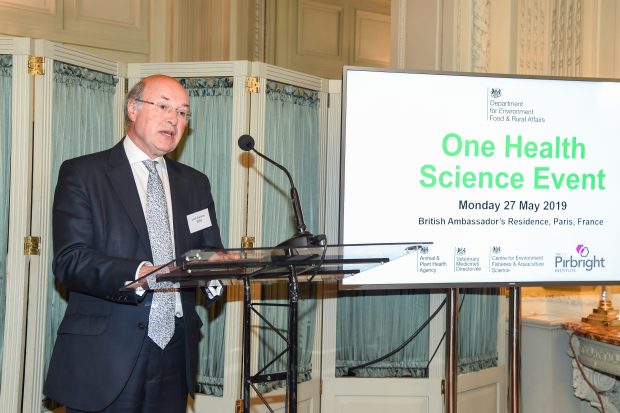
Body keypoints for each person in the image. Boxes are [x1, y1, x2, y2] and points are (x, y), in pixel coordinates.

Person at [44, 74, 234, 412]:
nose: (173, 120)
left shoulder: (194, 183)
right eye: (163, 107)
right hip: (107, 352)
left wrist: (218, 271)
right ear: (133, 108)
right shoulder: (84, 174)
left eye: (182, 112)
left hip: (175, 349)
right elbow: (71, 260)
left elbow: (207, 249)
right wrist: (144, 272)